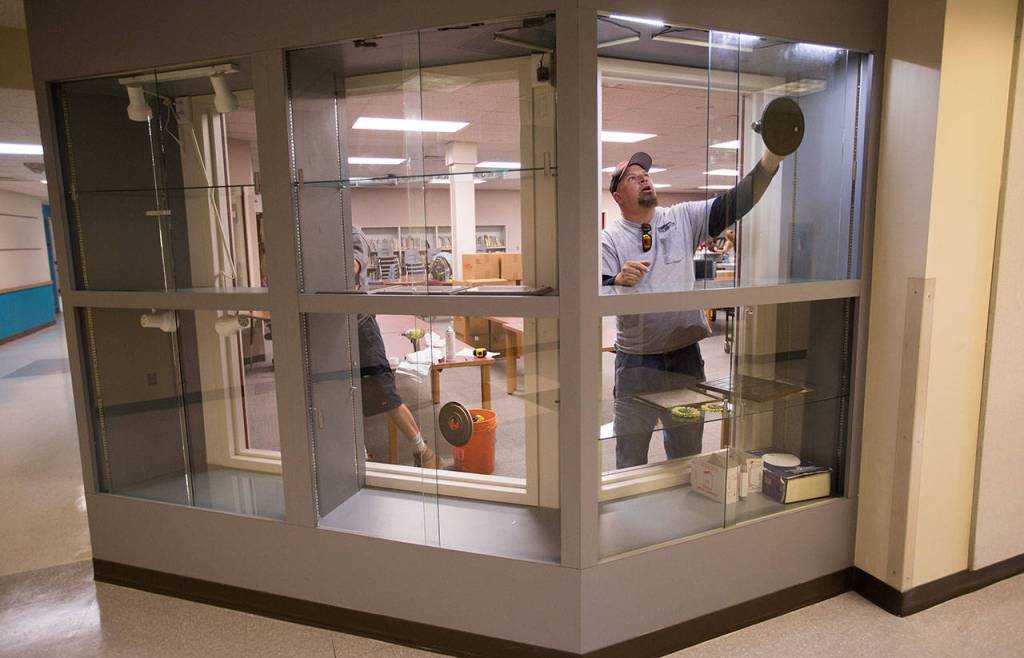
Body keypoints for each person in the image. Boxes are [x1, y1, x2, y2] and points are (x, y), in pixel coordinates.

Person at [601, 150, 784, 468]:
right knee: (630, 456)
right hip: (635, 364)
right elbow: (593, 289)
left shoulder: (682, 217)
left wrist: (769, 163)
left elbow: (735, 202)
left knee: (687, 455)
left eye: (646, 174)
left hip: (685, 357)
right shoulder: (609, 240)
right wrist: (615, 279)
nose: (644, 178)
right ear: (618, 196)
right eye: (632, 177)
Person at [352, 229, 440, 469]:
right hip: (333, 329)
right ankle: (360, 453)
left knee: (385, 391)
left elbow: (352, 267)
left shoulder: (352, 234)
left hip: (361, 326)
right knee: (342, 392)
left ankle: (422, 450)